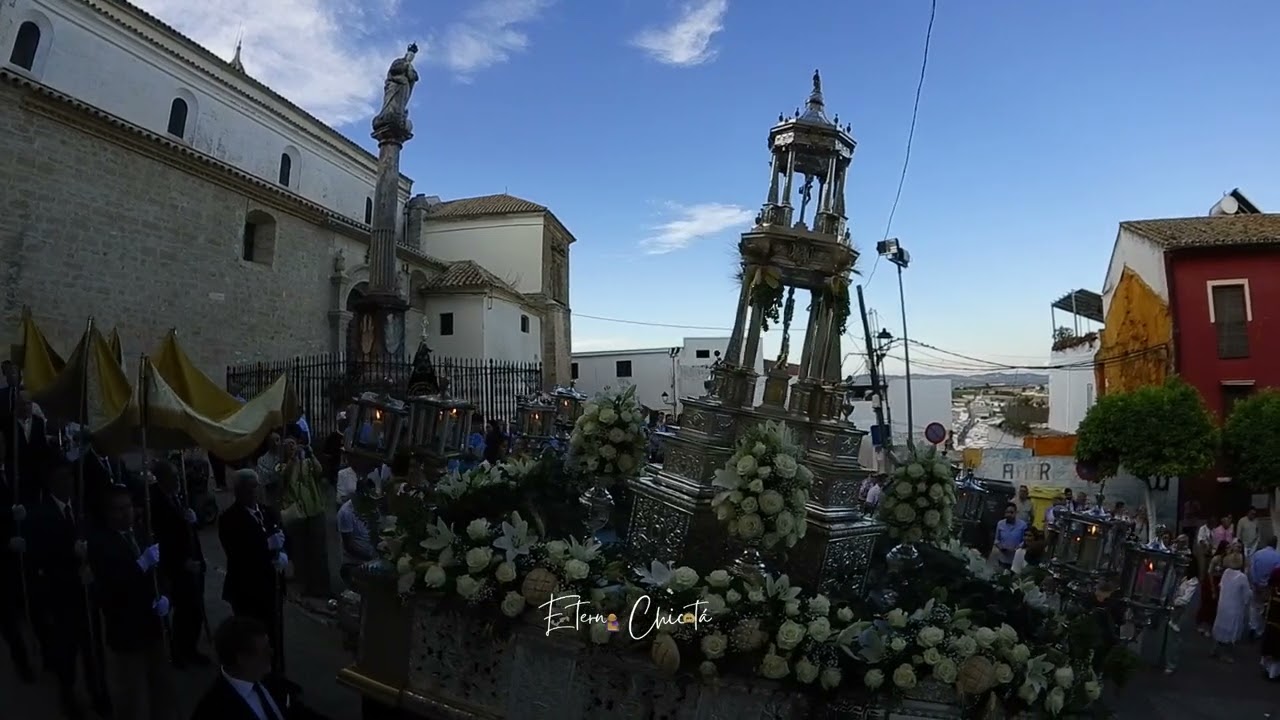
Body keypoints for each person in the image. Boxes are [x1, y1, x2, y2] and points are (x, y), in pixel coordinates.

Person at [88, 484, 177, 720]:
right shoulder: (99, 543)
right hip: (126, 632)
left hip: (153, 625)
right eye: (118, 509)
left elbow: (160, 571)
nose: (125, 513)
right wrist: (138, 567)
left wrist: (166, 596)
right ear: (107, 513)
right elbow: (108, 590)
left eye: (127, 507)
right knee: (134, 697)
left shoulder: (141, 532)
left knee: (161, 687)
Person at [29, 463, 110, 718]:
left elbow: (94, 536)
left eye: (72, 480)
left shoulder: (80, 507)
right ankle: (68, 696)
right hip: (62, 595)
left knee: (93, 648)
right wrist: (70, 557)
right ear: (53, 484)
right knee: (67, 649)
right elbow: (40, 556)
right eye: (65, 481)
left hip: (87, 593)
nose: (70, 486)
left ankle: (98, 692)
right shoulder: (41, 515)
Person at [219, 470, 289, 678]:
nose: (253, 491)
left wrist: (283, 554)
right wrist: (265, 545)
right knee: (252, 639)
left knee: (275, 634)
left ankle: (278, 674)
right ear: (238, 491)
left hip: (272, 584)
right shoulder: (229, 519)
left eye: (255, 486)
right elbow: (236, 553)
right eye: (248, 487)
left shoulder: (268, 512)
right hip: (247, 589)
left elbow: (283, 537)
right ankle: (255, 677)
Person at [148, 459, 208, 667]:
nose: (178, 480)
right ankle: (180, 651)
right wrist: (182, 562)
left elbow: (191, 522)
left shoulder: (177, 495)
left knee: (195, 609)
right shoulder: (155, 501)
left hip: (193, 558)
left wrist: (193, 519)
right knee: (186, 610)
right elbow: (163, 538)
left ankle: (191, 648)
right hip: (178, 565)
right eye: (173, 477)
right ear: (162, 479)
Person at [190, 616, 294, 720]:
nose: (271, 653)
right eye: (264, 651)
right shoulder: (212, 710)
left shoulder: (272, 681)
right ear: (243, 659)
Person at [277, 439, 329, 598]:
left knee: (318, 551)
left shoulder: (308, 463)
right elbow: (283, 478)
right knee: (302, 550)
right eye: (288, 446)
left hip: (314, 510)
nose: (293, 447)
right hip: (297, 515)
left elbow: (320, 472)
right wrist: (293, 460)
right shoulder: (282, 466)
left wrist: (310, 453)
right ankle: (307, 584)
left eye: (294, 444)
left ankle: (322, 586)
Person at [337, 479, 377, 590]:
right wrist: (372, 557)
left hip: (375, 556)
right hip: (355, 561)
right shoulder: (346, 512)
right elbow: (349, 546)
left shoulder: (373, 507)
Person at [1211, 552, 1251, 662]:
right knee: (1231, 630)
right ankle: (1226, 654)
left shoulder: (1226, 572)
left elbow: (1221, 586)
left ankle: (1215, 649)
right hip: (1235, 606)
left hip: (1223, 604)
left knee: (1221, 626)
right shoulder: (1242, 577)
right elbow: (1246, 594)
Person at [1163, 561, 1199, 675]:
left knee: (1174, 638)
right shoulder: (1179, 577)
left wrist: (1174, 601)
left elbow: (1185, 600)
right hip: (1171, 608)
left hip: (1181, 612)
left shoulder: (1193, 582)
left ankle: (1171, 664)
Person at [1249, 537, 1280, 639]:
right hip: (1267, 587)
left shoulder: (1257, 554)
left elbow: (1252, 569)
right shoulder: (1277, 557)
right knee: (1264, 608)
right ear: (1275, 544)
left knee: (1254, 606)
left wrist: (1255, 582)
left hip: (1256, 584)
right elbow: (1276, 575)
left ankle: (1252, 626)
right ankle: (1260, 630)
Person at [1197, 540, 1229, 636]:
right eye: (1227, 548)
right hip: (1211, 581)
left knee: (1215, 607)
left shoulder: (1227, 559)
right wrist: (1212, 588)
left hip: (1220, 582)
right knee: (1207, 604)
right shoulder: (1216, 559)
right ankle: (1202, 624)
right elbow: (1210, 573)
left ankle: (1210, 627)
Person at [993, 502, 1028, 571]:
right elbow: (996, 539)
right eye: (1007, 512)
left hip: (1016, 559)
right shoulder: (1000, 524)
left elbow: (1024, 541)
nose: (1009, 515)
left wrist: (1016, 548)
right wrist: (1001, 547)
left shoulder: (1023, 525)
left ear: (1016, 513)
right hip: (1002, 558)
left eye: (1011, 512)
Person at [1260, 562, 1280, 681]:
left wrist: (1266, 603)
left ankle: (1270, 669)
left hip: (1274, 609)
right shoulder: (1277, 572)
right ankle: (1273, 671)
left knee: (1272, 636)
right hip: (1275, 609)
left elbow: (1269, 588)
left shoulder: (1276, 571)